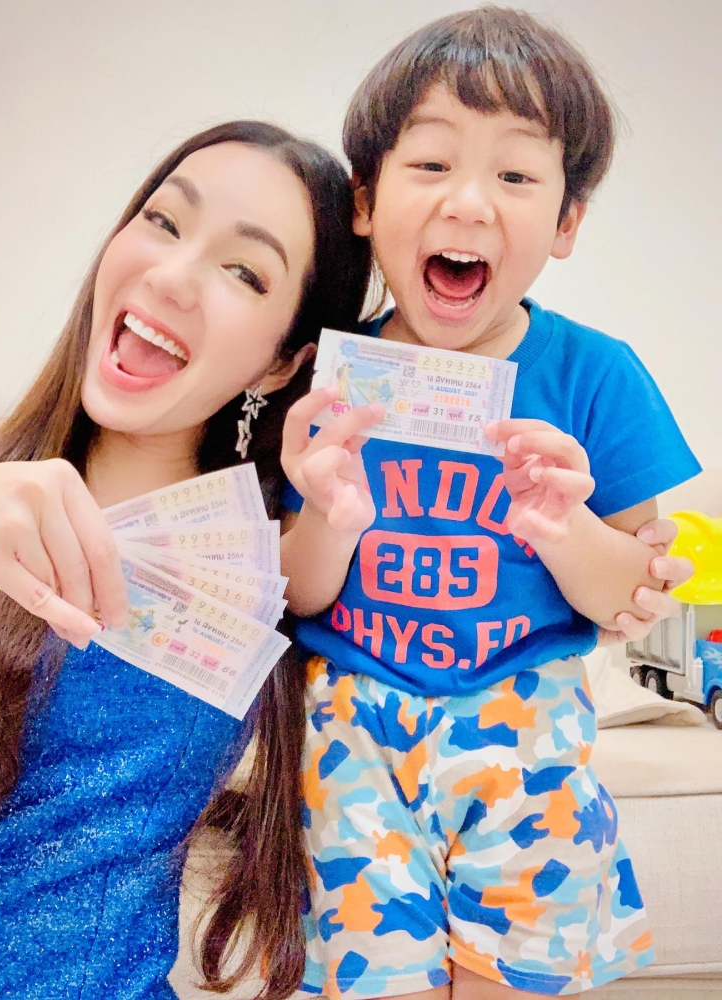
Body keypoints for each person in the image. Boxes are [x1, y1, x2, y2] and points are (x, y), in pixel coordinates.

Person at [280, 9, 701, 1000]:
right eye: (430, 164)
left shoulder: (595, 376)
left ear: (565, 224)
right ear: (364, 199)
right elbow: (296, 596)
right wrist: (328, 517)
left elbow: (628, 596)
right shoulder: (330, 377)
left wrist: (565, 530)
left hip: (528, 726)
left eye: (514, 175)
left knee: (516, 977)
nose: (467, 202)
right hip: (355, 728)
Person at [0, 120, 370, 999]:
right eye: (164, 222)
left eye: (245, 271)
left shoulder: (266, 566)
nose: (172, 275)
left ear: (283, 362)